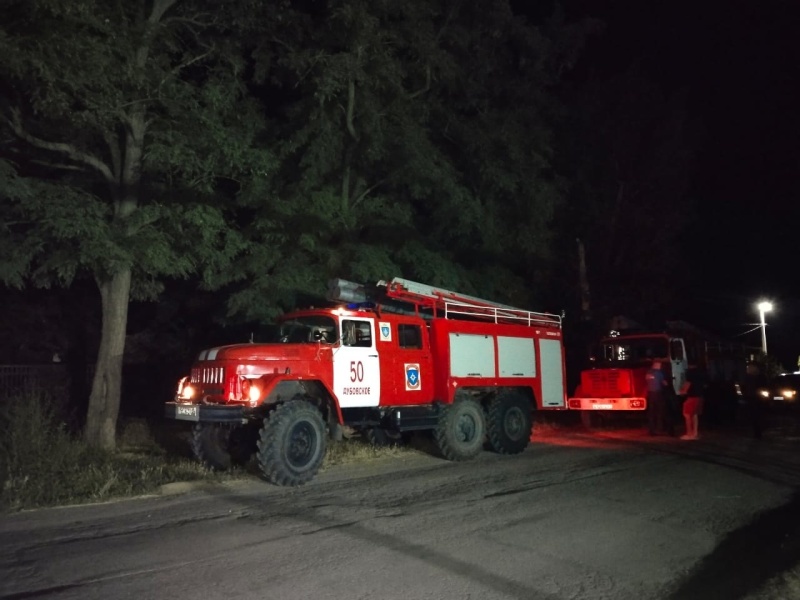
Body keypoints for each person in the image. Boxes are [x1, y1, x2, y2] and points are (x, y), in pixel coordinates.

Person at [741, 361, 768, 439]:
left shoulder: (760, 377)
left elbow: (765, 387)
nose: (748, 369)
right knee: (753, 416)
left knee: (758, 416)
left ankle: (758, 432)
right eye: (748, 367)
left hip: (758, 399)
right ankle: (756, 432)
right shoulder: (747, 378)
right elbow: (744, 388)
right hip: (751, 398)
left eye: (750, 367)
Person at [646, 360, 671, 435]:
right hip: (658, 393)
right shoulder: (659, 373)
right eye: (659, 365)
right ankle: (661, 428)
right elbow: (664, 382)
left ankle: (651, 430)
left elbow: (648, 380)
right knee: (661, 411)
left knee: (651, 412)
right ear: (656, 365)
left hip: (650, 393)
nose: (660, 367)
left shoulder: (648, 372)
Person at [679, 371, 705, 440]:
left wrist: (681, 390)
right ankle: (695, 433)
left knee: (687, 414)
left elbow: (684, 390)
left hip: (691, 398)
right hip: (699, 397)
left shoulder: (689, 380)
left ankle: (689, 433)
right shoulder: (700, 378)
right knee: (694, 415)